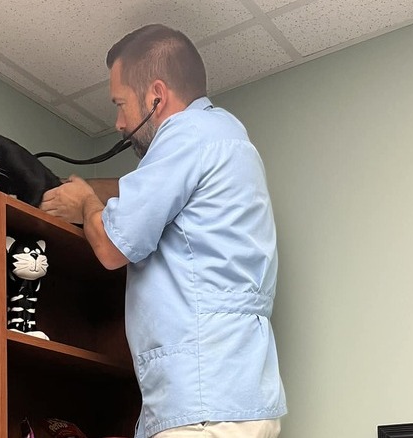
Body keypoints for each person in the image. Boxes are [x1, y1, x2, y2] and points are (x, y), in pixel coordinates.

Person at [39, 24, 286, 438]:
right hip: (243, 397)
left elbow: (114, 248)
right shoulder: (226, 136)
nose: (118, 122)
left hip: (201, 405)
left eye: (121, 104)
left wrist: (84, 204)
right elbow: (148, 191)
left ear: (156, 95)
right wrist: (89, 188)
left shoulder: (184, 134)